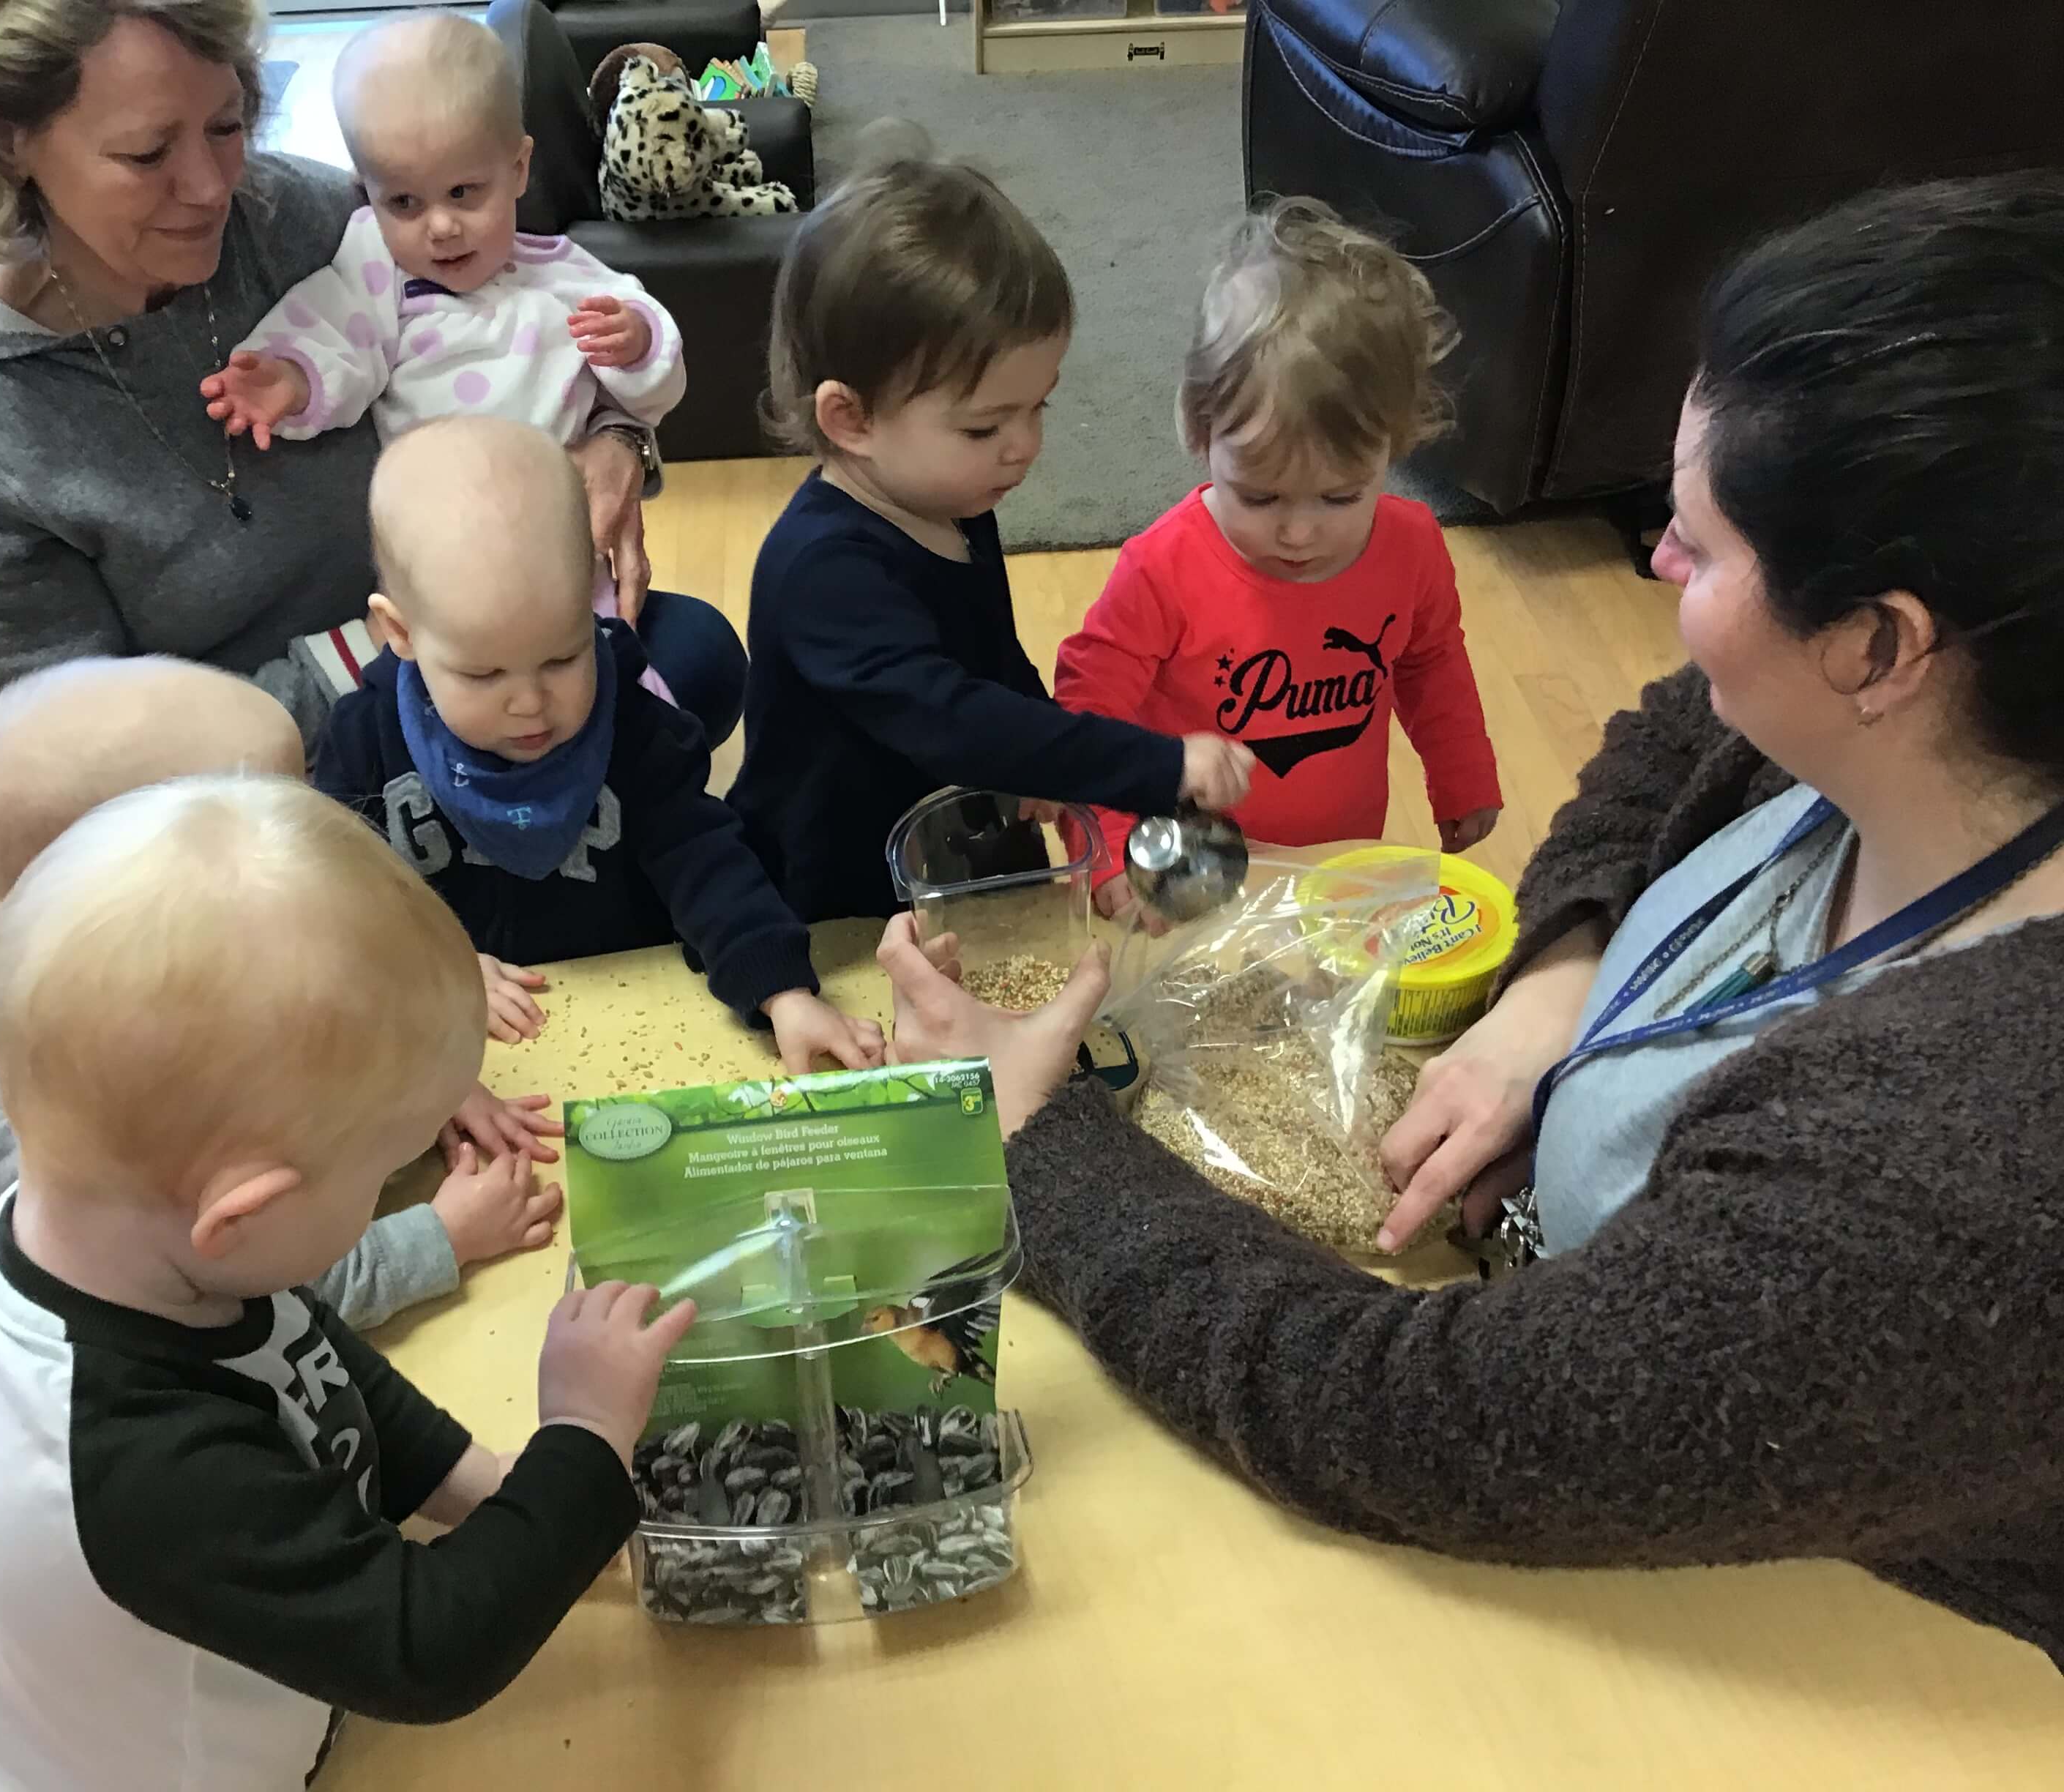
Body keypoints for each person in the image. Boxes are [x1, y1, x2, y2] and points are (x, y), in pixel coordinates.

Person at [875, 173, 2064, 1664]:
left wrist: (1034, 1138)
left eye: (1694, 539)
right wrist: (1553, 985)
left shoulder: (1956, 1188)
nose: (1652, 566)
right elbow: (1672, 741)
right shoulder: (1923, 711)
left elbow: (1395, 1411)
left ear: (1880, 646)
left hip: (1791, 1637)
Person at [0, 772, 697, 1790]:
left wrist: (486, 1486)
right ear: (242, 1212)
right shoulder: (144, 1467)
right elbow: (427, 1652)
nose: (395, 1191)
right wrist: (585, 1437)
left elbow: (306, 1352)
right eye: (382, 1174)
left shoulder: (129, 1249)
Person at [0, 0, 742, 749]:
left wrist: (618, 439)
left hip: (480, 666)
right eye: (146, 154)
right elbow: (67, 758)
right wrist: (411, 659)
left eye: (227, 125)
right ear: (6, 139)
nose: (212, 185)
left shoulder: (301, 216)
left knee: (697, 655)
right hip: (273, 768)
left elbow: (525, 315)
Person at [0, 654, 564, 1331]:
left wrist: (413, 1076)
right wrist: (442, 1239)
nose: (325, 847)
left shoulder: (194, 1000)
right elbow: (272, 1292)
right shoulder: (84, 1170)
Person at [725, 157, 1255, 925]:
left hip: (960, 848)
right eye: (985, 426)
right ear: (852, 420)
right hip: (841, 893)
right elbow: (954, 719)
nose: (1025, 446)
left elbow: (992, 661)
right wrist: (1152, 763)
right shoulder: (825, 570)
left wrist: (1052, 760)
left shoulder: (957, 498)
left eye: (1038, 406)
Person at [313, 417, 886, 1072]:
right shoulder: (363, 739)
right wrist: (428, 963)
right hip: (464, 1038)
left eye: (564, 656)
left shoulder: (636, 725)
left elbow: (706, 860)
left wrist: (783, 992)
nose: (530, 703)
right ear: (400, 632)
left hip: (635, 1005)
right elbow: (334, 895)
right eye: (484, 674)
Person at [198, 13, 690, 707]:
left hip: (560, 560)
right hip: (435, 566)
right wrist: (291, 378)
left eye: (464, 192)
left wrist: (636, 345)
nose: (439, 225)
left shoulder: (571, 281)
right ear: (365, 193)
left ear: (518, 168)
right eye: (403, 201)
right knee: (432, 680)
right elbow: (337, 334)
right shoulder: (379, 275)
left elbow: (654, 380)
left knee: (612, 685)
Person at [1055, 200, 1500, 928]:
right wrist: (1107, 851)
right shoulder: (1161, 568)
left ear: (1397, 446)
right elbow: (1086, 713)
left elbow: (1429, 661)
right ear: (1201, 432)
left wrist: (1462, 773)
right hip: (1189, 874)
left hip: (1341, 864)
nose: (1298, 531)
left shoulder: (1413, 544)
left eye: (1340, 495)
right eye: (1259, 496)